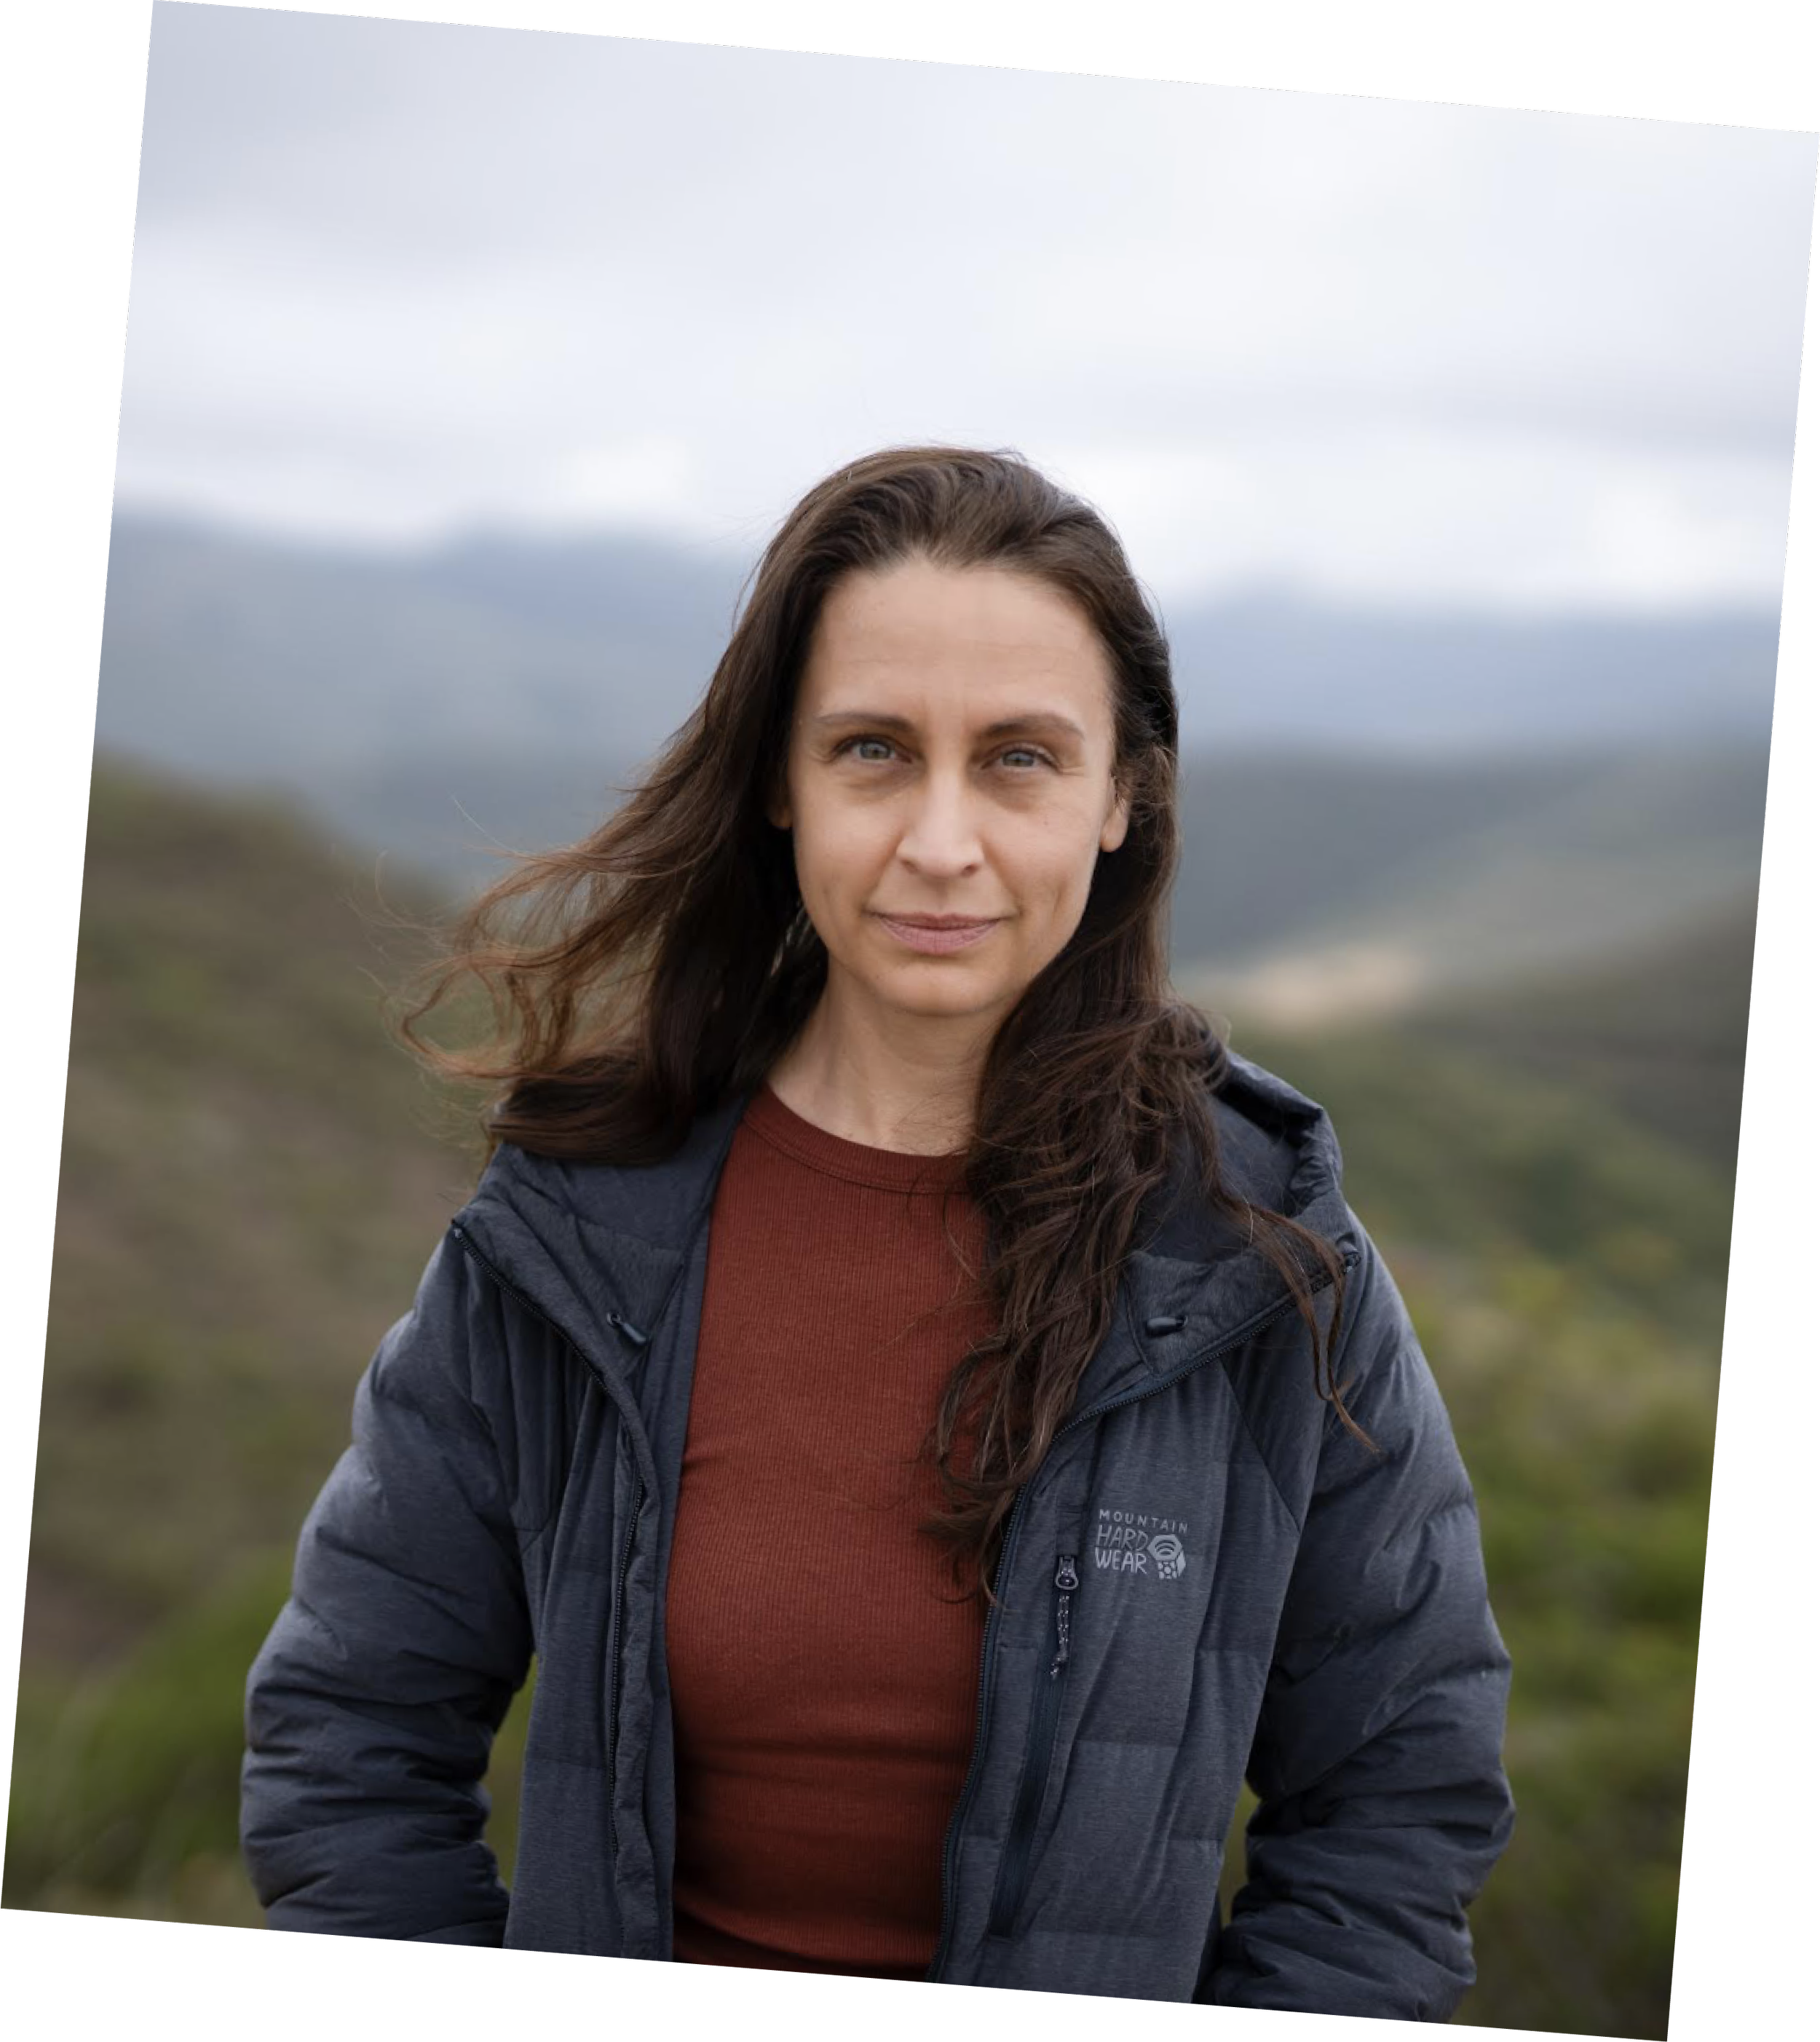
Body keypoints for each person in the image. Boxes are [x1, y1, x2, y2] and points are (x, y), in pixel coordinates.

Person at [240, 445, 1515, 2009]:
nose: (938, 840)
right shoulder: (572, 1239)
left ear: (1123, 795)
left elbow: (1399, 1796)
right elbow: (349, 1728)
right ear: (781, 779)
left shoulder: (1264, 1264)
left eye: (1018, 759)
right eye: (871, 749)